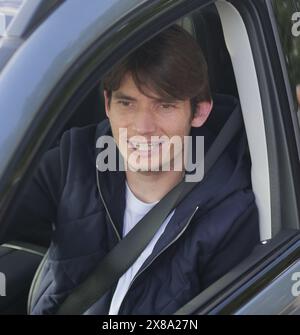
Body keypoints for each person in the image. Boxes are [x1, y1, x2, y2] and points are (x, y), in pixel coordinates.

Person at [8, 25, 260, 315]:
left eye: (164, 105)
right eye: (127, 103)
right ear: (107, 105)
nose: (142, 127)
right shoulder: (74, 161)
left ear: (199, 112)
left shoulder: (229, 215)